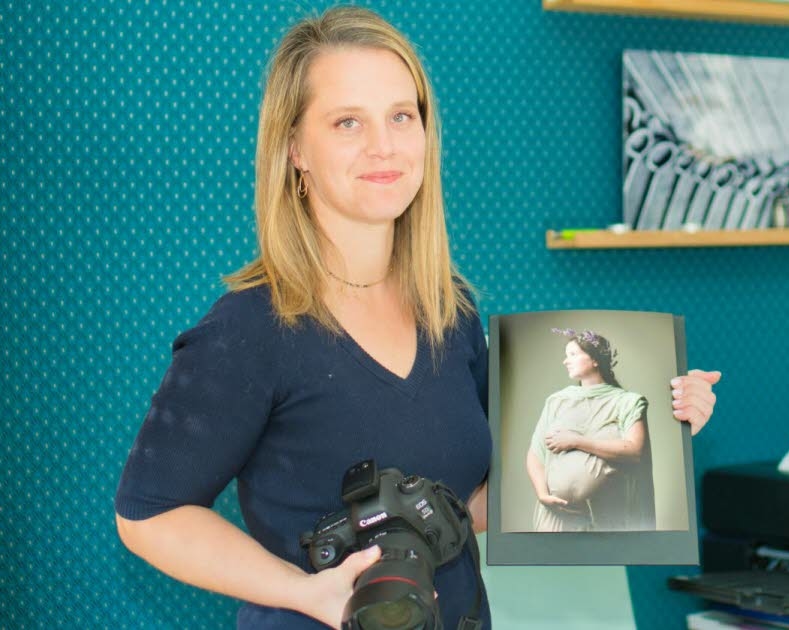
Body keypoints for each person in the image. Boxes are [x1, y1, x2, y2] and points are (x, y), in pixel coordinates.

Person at [112, 6, 721, 630]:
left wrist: (662, 423)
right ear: (295, 148)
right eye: (348, 121)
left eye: (402, 116)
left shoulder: (449, 311)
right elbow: (149, 514)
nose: (383, 145)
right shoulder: (250, 328)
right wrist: (305, 592)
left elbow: (474, 505)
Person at [526, 329, 657, 532]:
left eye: (573, 354)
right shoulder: (557, 401)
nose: (565, 361)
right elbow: (535, 454)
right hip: (556, 519)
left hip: (607, 522)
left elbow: (635, 451)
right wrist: (543, 495)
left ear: (595, 360)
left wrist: (576, 441)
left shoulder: (627, 401)